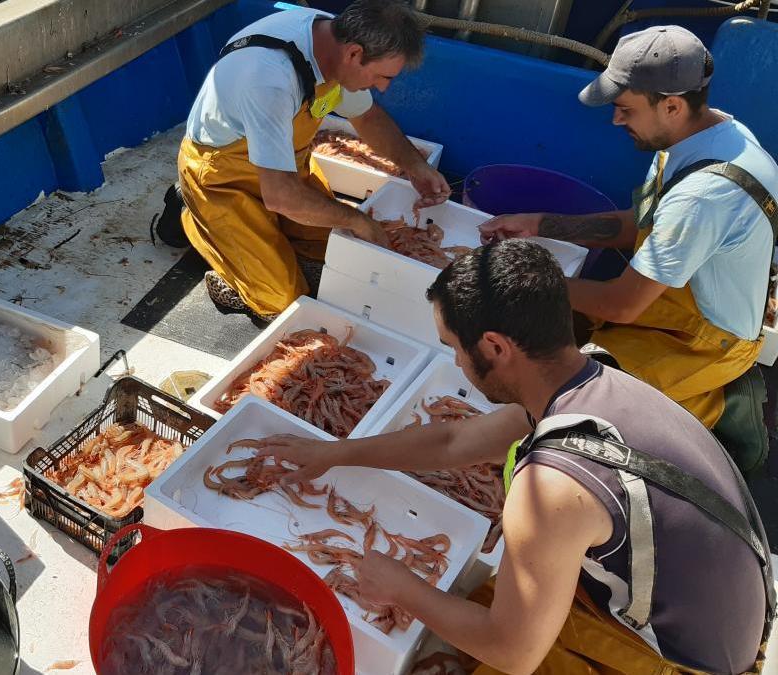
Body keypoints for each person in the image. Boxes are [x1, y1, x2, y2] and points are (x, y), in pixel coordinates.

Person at [255, 240, 771, 674]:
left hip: (689, 663)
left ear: (496, 347)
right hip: (726, 612)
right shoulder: (589, 375)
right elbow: (451, 443)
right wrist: (334, 453)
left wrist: (401, 586)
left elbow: (515, 652)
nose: (455, 362)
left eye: (454, 347)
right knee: (474, 607)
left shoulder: (551, 485)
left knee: (472, 640)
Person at [479, 25, 778, 475]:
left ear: (672, 105)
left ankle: (717, 405)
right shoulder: (701, 136)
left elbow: (622, 305)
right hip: (667, 308)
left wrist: (524, 283)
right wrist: (540, 224)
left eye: (625, 109)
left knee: (573, 407)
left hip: (699, 341)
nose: (617, 120)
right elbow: (636, 223)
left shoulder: (704, 193)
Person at [173, 0, 450, 320]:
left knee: (344, 252)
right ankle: (194, 215)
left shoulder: (334, 40)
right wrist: (356, 219)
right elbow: (281, 195)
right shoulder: (269, 79)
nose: (383, 88)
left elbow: (368, 117)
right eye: (382, 77)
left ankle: (260, 232)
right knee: (283, 300)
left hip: (287, 164)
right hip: (222, 176)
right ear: (355, 55)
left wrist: (415, 166)